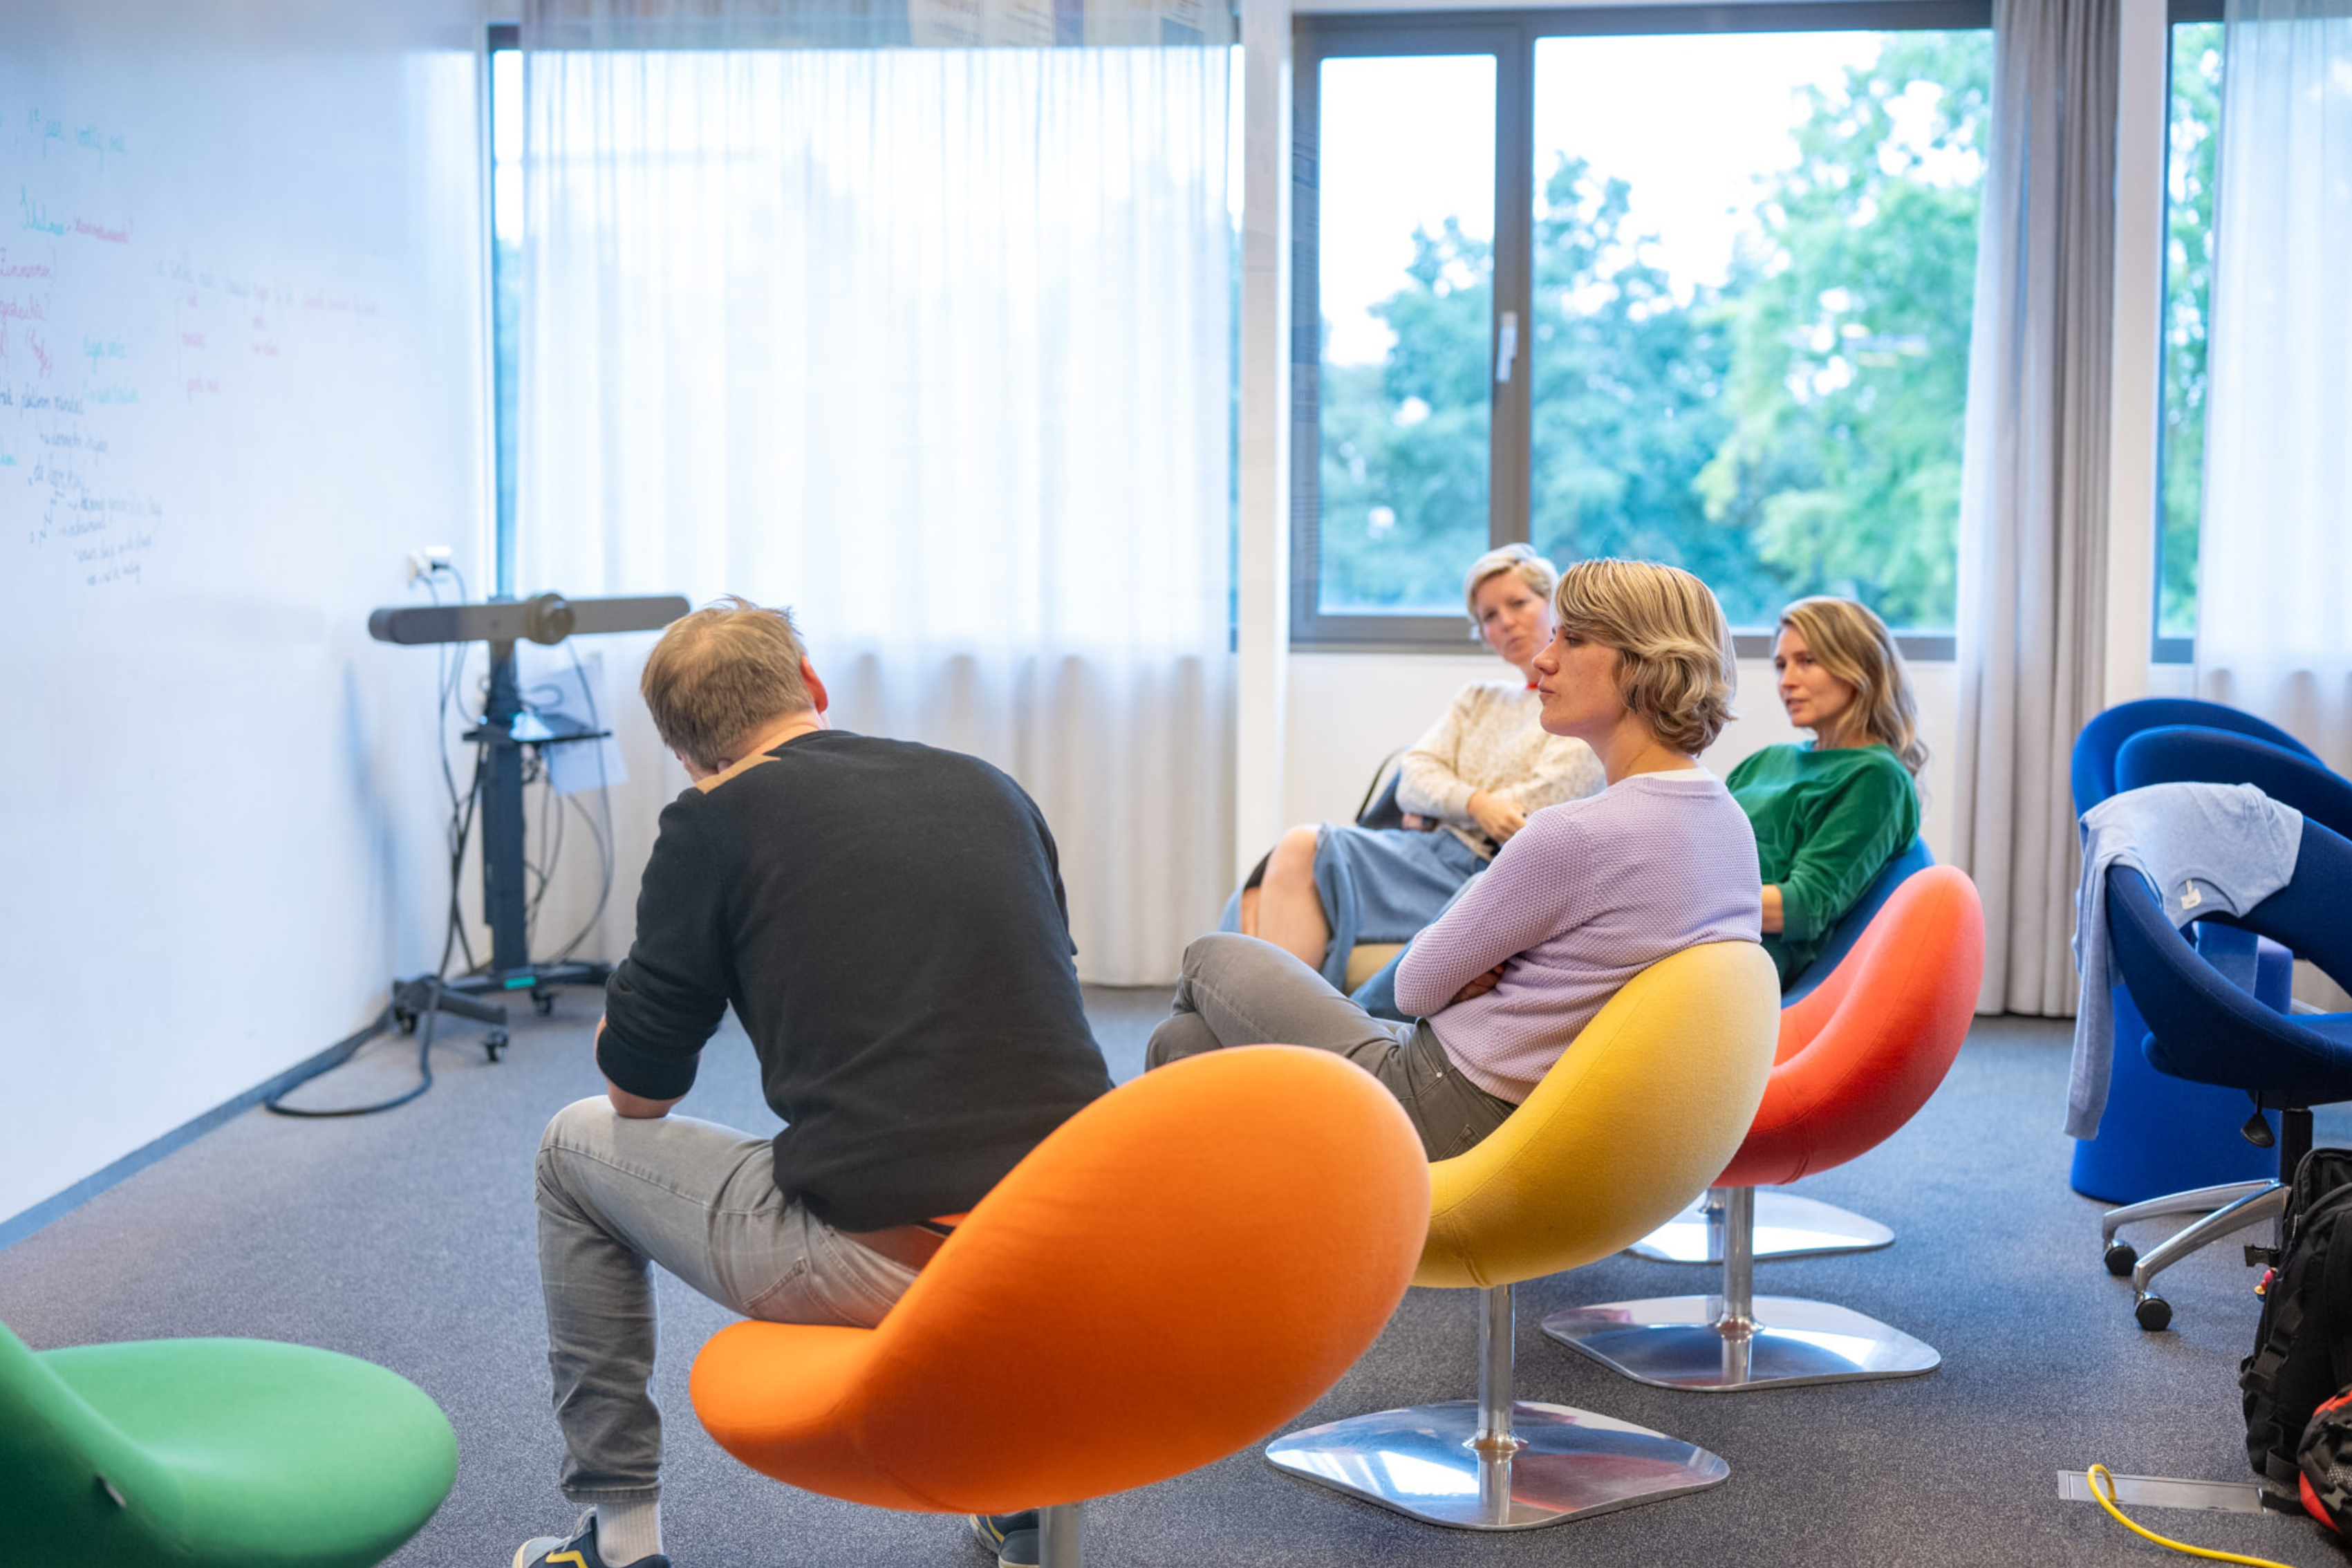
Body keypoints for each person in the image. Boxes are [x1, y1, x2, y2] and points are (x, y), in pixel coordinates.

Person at [514, 597, 1112, 1568]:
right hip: (1070, 1241)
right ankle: (1024, 1499)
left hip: (889, 1261)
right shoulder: (987, 787)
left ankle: (616, 1541)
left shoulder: (709, 822)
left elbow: (638, 1096)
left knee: (570, 1148)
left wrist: (632, 1009)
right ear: (814, 687)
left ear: (684, 753)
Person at [1152, 559, 1762, 1156]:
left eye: (1571, 639)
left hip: (1442, 1102)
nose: (1545, 658)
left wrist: (1470, 966)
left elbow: (1416, 987)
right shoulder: (1725, 821)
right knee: (1186, 1040)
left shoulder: (1571, 836)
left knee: (1211, 957)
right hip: (1539, 1111)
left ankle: (1162, 1206)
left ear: (1642, 664)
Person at [1230, 544, 1604, 989]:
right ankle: (1274, 1035)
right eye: (1488, 616)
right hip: (1424, 852)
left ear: (1553, 606)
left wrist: (1441, 805)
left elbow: (1530, 811)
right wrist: (1476, 803)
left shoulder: (1577, 708)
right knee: (1253, 896)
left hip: (1478, 869)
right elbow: (1415, 774)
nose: (1504, 621)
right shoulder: (1478, 697)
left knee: (1299, 848)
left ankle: (1279, 1034)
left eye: (1518, 603)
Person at [1727, 596, 1925, 988]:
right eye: (1781, 665)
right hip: (1692, 929)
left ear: (1858, 667)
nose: (1787, 681)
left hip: (1744, 958)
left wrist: (1684, 901)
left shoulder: (1877, 776)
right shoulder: (1767, 760)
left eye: (1807, 661)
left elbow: (1802, 905)